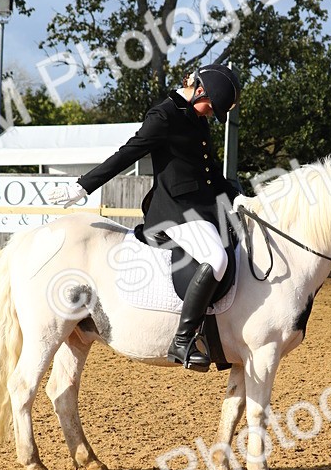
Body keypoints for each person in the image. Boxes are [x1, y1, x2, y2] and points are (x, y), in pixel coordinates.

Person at [63, 64, 242, 370]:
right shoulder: (164, 115)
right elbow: (127, 153)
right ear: (199, 91)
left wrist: (241, 197)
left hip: (204, 208)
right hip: (173, 211)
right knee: (216, 259)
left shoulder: (197, 118)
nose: (211, 114)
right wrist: (84, 186)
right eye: (210, 107)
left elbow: (210, 171)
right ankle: (183, 339)